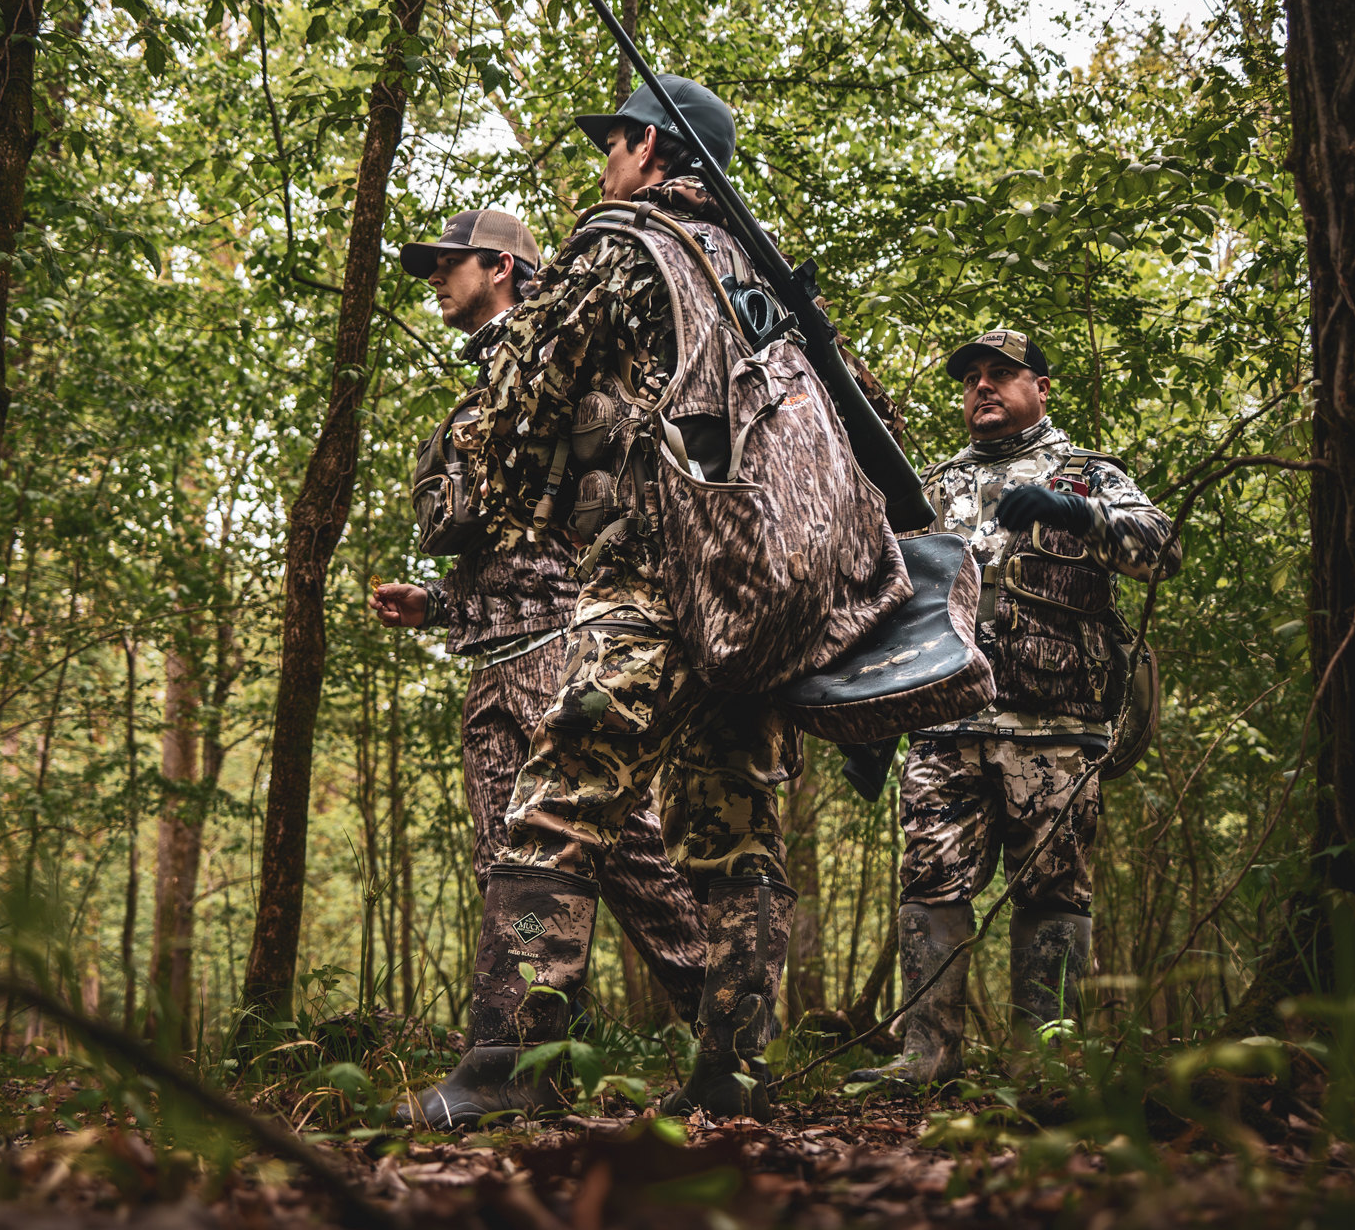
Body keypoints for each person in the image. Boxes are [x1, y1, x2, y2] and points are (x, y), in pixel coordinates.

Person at [393, 76, 901, 1127]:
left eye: (614, 142)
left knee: (558, 792)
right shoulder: (769, 280)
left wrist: (523, 471)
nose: (604, 163)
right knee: (733, 822)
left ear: (650, 148)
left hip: (660, 568)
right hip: (763, 589)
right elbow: (869, 428)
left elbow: (521, 400)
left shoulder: (623, 242)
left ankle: (507, 1064)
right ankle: (732, 1073)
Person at [367, 210, 705, 1079]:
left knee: (624, 853)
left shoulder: (562, 361)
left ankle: (732, 1031)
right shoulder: (492, 385)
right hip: (492, 657)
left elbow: (595, 512)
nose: (435, 278)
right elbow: (511, 539)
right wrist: (439, 605)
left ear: (503, 267)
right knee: (505, 867)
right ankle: (527, 1061)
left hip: (565, 648)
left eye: (450, 263)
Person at [848, 329, 1182, 1086]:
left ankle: (1045, 1063)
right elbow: (888, 593)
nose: (983, 387)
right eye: (971, 378)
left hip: (1056, 728)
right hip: (945, 726)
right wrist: (870, 720)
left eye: (1002, 373)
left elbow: (1161, 549)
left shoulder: (1089, 474)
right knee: (929, 881)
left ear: (1042, 388)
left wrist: (1079, 514)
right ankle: (927, 1055)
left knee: (1054, 890)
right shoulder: (933, 485)